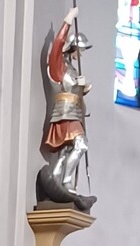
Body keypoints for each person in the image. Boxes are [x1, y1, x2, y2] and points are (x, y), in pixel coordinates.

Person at [36, 6, 97, 212]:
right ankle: (67, 182)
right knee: (81, 144)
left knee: (66, 150)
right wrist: (69, 19)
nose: (81, 54)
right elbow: (56, 46)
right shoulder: (59, 65)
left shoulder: (71, 69)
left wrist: (82, 88)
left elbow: (73, 92)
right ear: (72, 48)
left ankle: (57, 178)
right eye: (80, 50)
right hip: (64, 113)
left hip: (73, 112)